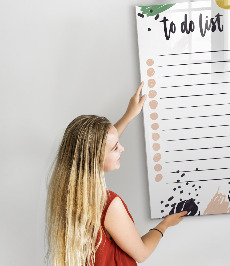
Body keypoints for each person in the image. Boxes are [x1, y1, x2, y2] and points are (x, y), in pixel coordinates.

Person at [46, 82, 187, 266]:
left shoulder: (66, 192)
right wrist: (164, 225)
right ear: (94, 158)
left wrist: (128, 116)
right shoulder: (109, 205)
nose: (122, 148)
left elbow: (97, 148)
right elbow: (142, 253)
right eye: (115, 148)